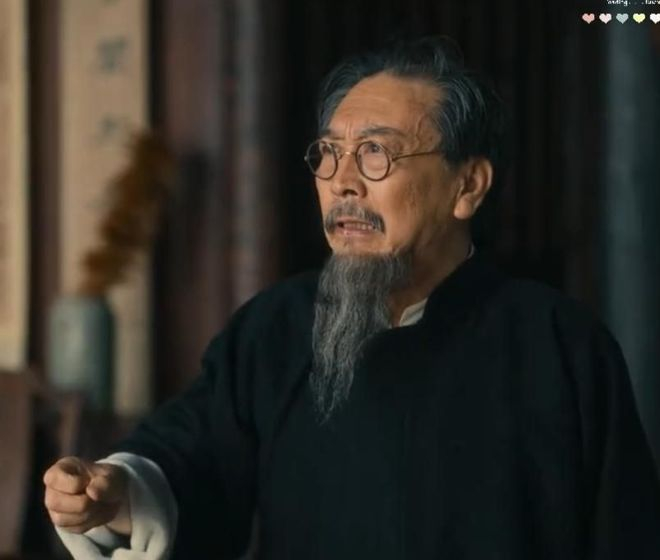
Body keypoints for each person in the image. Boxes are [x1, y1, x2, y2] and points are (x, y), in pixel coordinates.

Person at [44, 36, 660, 560]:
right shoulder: (276, 329)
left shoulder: (559, 345)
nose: (342, 182)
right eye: (329, 154)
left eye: (375, 153)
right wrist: (116, 492)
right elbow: (190, 460)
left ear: (467, 186)